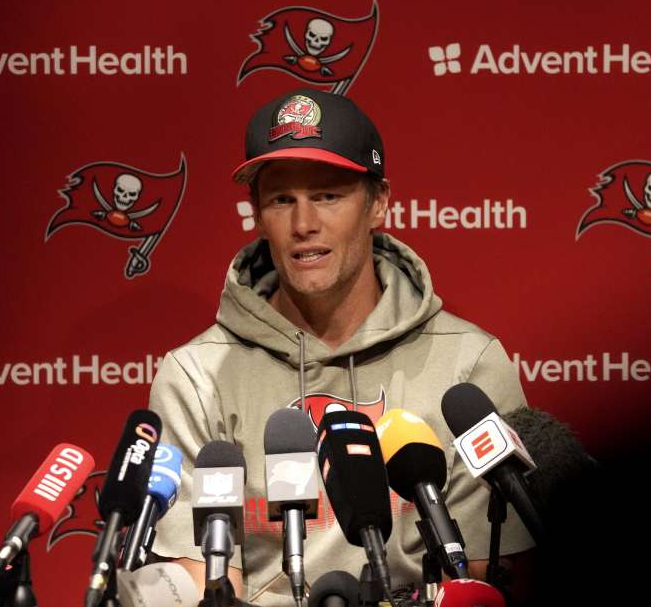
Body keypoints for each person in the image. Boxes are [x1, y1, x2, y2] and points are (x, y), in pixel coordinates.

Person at [147, 89, 534, 606]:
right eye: (282, 199)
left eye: (328, 196)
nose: (304, 224)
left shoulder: (468, 366)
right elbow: (204, 586)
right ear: (257, 215)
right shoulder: (197, 377)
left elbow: (486, 579)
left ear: (378, 204)